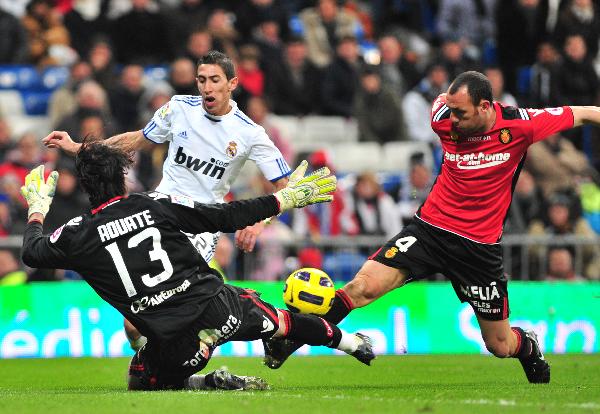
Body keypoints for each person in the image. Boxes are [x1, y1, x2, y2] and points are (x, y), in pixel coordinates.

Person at [263, 70, 600, 384]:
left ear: (486, 107)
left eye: (461, 113)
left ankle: (526, 345)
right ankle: (290, 341)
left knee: (499, 344)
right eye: (450, 110)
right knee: (360, 289)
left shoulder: (522, 125)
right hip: (429, 231)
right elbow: (445, 105)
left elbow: (582, 112)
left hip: (477, 249)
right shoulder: (442, 115)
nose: (452, 120)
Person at [19, 142, 374, 391]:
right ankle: (353, 344)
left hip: (178, 344)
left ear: (85, 186)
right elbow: (224, 215)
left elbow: (33, 252)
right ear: (123, 179)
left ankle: (203, 381)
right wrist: (283, 198)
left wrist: (37, 208)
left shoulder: (79, 234)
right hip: (221, 309)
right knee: (283, 322)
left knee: (141, 378)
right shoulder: (154, 204)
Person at [43, 50, 292, 349]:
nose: (207, 87)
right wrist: (79, 148)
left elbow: (284, 186)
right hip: (158, 212)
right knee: (133, 325)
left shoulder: (250, 133)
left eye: (215, 80)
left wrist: (259, 223)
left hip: (201, 222)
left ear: (232, 84)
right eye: (202, 80)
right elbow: (136, 140)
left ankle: (264, 326)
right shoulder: (178, 108)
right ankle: (151, 361)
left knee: (177, 309)